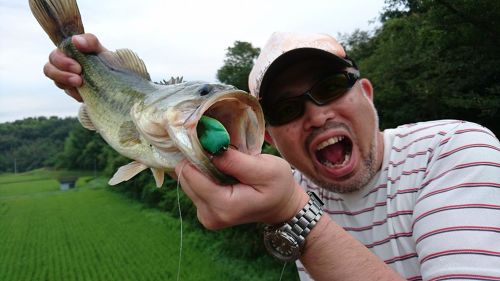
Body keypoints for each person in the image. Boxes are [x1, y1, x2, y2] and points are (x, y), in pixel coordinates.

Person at [44, 32, 500, 281]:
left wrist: (293, 217)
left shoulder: (454, 149)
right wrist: (111, 82)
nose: (318, 116)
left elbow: (291, 211)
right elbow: (162, 125)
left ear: (366, 93)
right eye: (284, 108)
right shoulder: (296, 186)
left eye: (329, 88)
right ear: (270, 140)